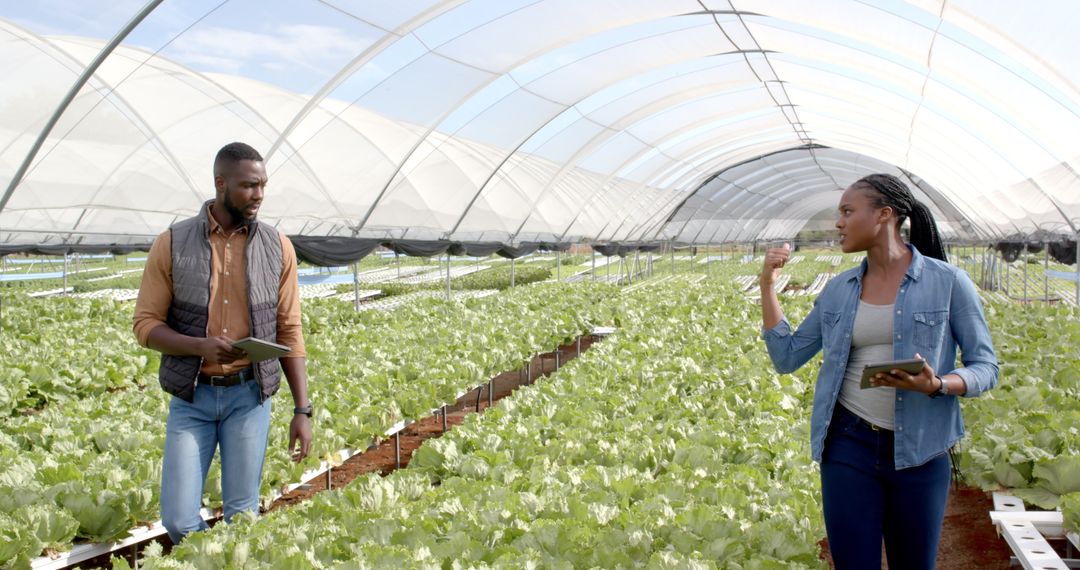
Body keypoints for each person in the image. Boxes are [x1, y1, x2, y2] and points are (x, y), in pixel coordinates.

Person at [759, 174, 998, 569]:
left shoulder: (949, 283)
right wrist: (768, 286)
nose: (838, 223)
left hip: (921, 449)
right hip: (848, 444)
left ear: (884, 215)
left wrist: (938, 384)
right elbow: (786, 357)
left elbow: (985, 367)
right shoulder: (839, 288)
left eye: (848, 212)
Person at [133, 142, 312, 544]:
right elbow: (145, 325)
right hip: (192, 396)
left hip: (249, 397)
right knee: (178, 519)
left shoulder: (277, 246)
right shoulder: (173, 242)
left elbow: (289, 329)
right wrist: (199, 348)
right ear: (220, 183)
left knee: (241, 515)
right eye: (249, 186)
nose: (259, 195)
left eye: (263, 185)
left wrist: (303, 409)